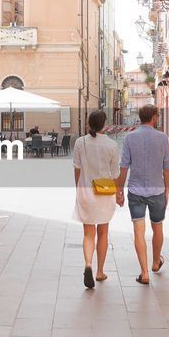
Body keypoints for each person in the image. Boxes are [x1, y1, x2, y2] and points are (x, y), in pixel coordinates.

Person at [116, 105, 169, 285]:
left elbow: (124, 166)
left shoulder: (130, 138)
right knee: (158, 227)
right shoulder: (163, 137)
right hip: (157, 190)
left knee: (138, 231)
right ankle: (156, 262)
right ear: (154, 118)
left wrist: (119, 190)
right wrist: (167, 190)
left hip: (135, 190)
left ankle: (144, 273)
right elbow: (168, 167)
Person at [72, 110, 119, 289]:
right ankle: (100, 272)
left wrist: (77, 188)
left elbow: (76, 168)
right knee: (103, 232)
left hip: (85, 191)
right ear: (104, 124)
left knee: (88, 233)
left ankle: (88, 265)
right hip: (104, 192)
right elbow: (115, 173)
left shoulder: (80, 142)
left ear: (88, 123)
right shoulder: (112, 145)